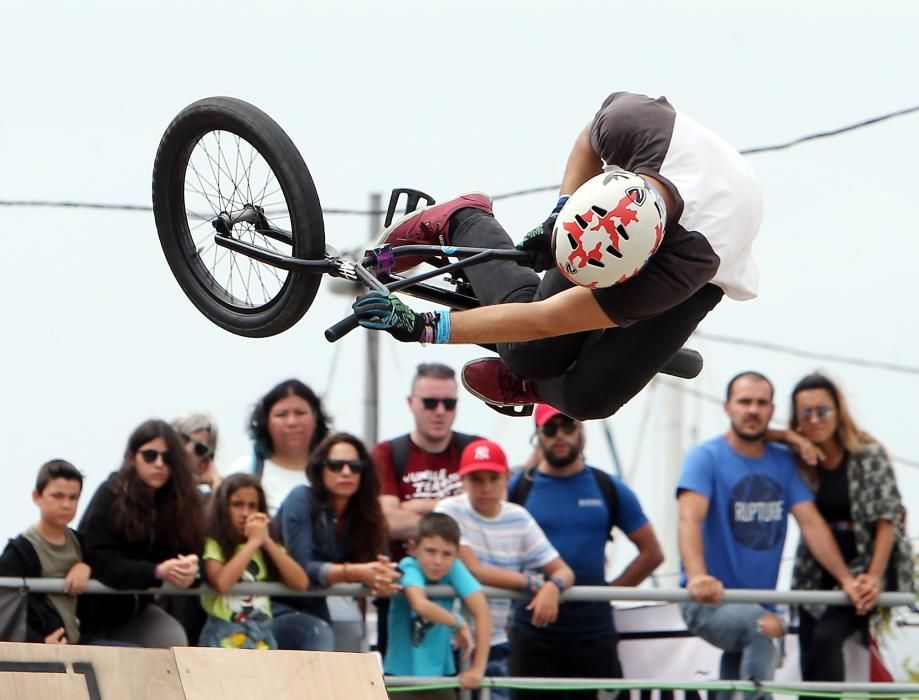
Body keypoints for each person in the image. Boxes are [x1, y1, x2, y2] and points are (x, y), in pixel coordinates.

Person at [352, 91, 763, 421]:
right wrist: (557, 214)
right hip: (658, 176)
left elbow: (546, 318)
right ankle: (464, 217)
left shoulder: (682, 267)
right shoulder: (630, 122)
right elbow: (588, 138)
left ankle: (533, 379)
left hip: (707, 264)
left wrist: (424, 326)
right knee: (529, 351)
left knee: (586, 398)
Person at [677, 372, 871, 700]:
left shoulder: (783, 462)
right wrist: (697, 576)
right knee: (766, 628)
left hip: (758, 603)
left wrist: (846, 580)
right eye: (744, 401)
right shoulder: (705, 457)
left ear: (772, 410)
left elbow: (812, 524)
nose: (753, 410)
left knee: (735, 678)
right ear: (727, 407)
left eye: (761, 403)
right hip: (709, 600)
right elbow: (688, 518)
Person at [507, 404, 664, 700]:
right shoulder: (519, 490)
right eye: (550, 429)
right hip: (532, 637)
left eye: (568, 426)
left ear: (582, 430)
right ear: (537, 435)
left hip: (594, 637)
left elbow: (652, 553)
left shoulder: (607, 487)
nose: (560, 436)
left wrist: (609, 593)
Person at [788, 373, 914, 692]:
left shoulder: (867, 453)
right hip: (815, 570)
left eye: (822, 410)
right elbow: (758, 434)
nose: (815, 419)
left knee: (827, 637)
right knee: (809, 649)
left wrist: (873, 576)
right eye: (806, 412)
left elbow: (888, 517)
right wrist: (794, 439)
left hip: (864, 567)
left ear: (838, 411)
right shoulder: (800, 458)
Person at [435, 438, 575, 700]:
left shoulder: (518, 517)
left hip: (495, 641)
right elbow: (473, 569)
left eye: (493, 478)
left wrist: (553, 587)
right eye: (477, 479)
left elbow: (564, 571)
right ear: (463, 481)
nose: (486, 487)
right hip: (447, 640)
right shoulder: (449, 509)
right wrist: (535, 584)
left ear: (506, 478)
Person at [372, 363, 480, 654]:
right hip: (403, 598)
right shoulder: (388, 453)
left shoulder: (475, 450)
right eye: (430, 403)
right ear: (411, 403)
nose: (440, 411)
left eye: (449, 403)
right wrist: (453, 511)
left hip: (465, 593)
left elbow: (484, 519)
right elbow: (388, 522)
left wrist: (421, 507)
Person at [78, 419, 203, 647]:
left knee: (173, 640)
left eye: (168, 458)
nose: (159, 464)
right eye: (150, 455)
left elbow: (193, 553)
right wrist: (155, 572)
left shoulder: (181, 502)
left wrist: (191, 571)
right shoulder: (111, 493)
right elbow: (98, 558)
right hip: (93, 615)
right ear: (133, 457)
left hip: (137, 612)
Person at [275, 432, 401, 651]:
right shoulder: (301, 498)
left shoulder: (366, 511)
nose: (346, 472)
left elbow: (382, 559)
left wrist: (384, 576)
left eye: (355, 466)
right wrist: (355, 572)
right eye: (336, 465)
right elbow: (302, 566)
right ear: (320, 469)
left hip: (329, 608)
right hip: (280, 606)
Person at [384, 512, 492, 699]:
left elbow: (483, 612)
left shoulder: (454, 567)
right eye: (430, 551)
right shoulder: (409, 565)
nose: (438, 561)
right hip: (400, 678)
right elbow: (419, 604)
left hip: (440, 677)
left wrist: (477, 669)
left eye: (446, 554)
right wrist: (458, 623)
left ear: (456, 554)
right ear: (413, 548)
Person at [199, 473, 308, 649]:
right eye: (237, 505)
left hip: (261, 638)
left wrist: (267, 541)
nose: (245, 513)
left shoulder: (265, 543)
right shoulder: (214, 542)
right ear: (223, 507)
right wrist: (253, 543)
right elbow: (221, 583)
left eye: (252, 506)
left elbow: (301, 582)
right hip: (223, 640)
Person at [0, 459, 90, 644]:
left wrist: (86, 566)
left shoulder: (82, 543)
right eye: (57, 496)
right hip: (42, 654)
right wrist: (39, 642)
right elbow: (5, 609)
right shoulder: (20, 552)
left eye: (73, 497)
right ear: (37, 497)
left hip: (81, 644)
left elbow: (112, 564)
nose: (66, 504)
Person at [230, 378, 331, 514]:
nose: (292, 422)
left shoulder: (335, 471)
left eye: (300, 413)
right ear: (266, 422)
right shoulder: (246, 468)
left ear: (316, 419)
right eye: (281, 414)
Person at [172, 411, 222, 496]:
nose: (188, 450)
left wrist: (215, 482)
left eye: (200, 448)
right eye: (183, 438)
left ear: (205, 461)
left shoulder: (203, 501)